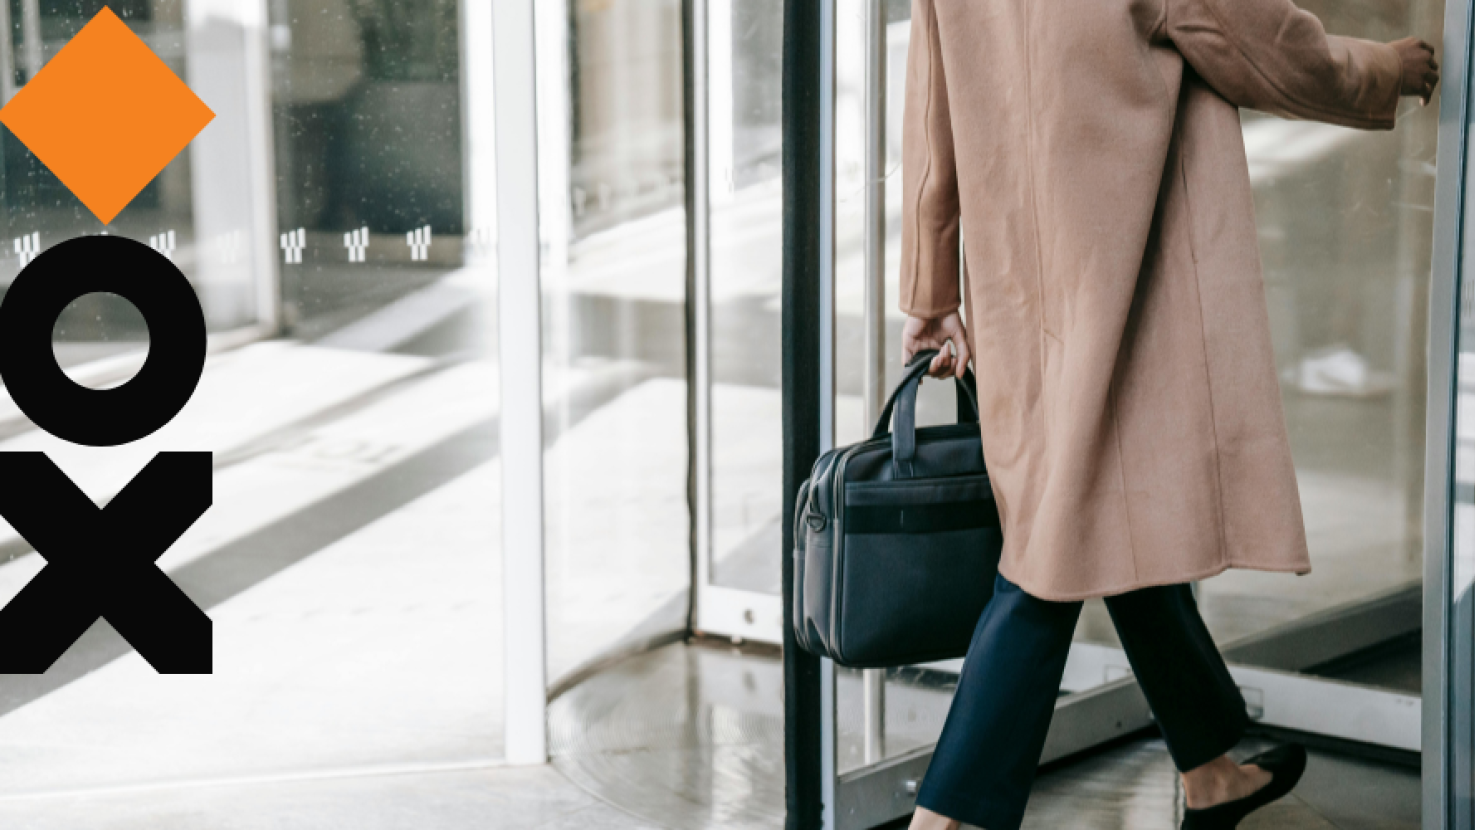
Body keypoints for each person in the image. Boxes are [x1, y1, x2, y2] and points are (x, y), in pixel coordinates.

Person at [897, 1, 1439, 828]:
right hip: (1121, 265)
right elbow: (1251, 37)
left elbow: (929, 106)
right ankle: (946, 816)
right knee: (1056, 545)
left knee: (1108, 503)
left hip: (1018, 279)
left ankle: (1211, 765)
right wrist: (1384, 71)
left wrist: (931, 290)